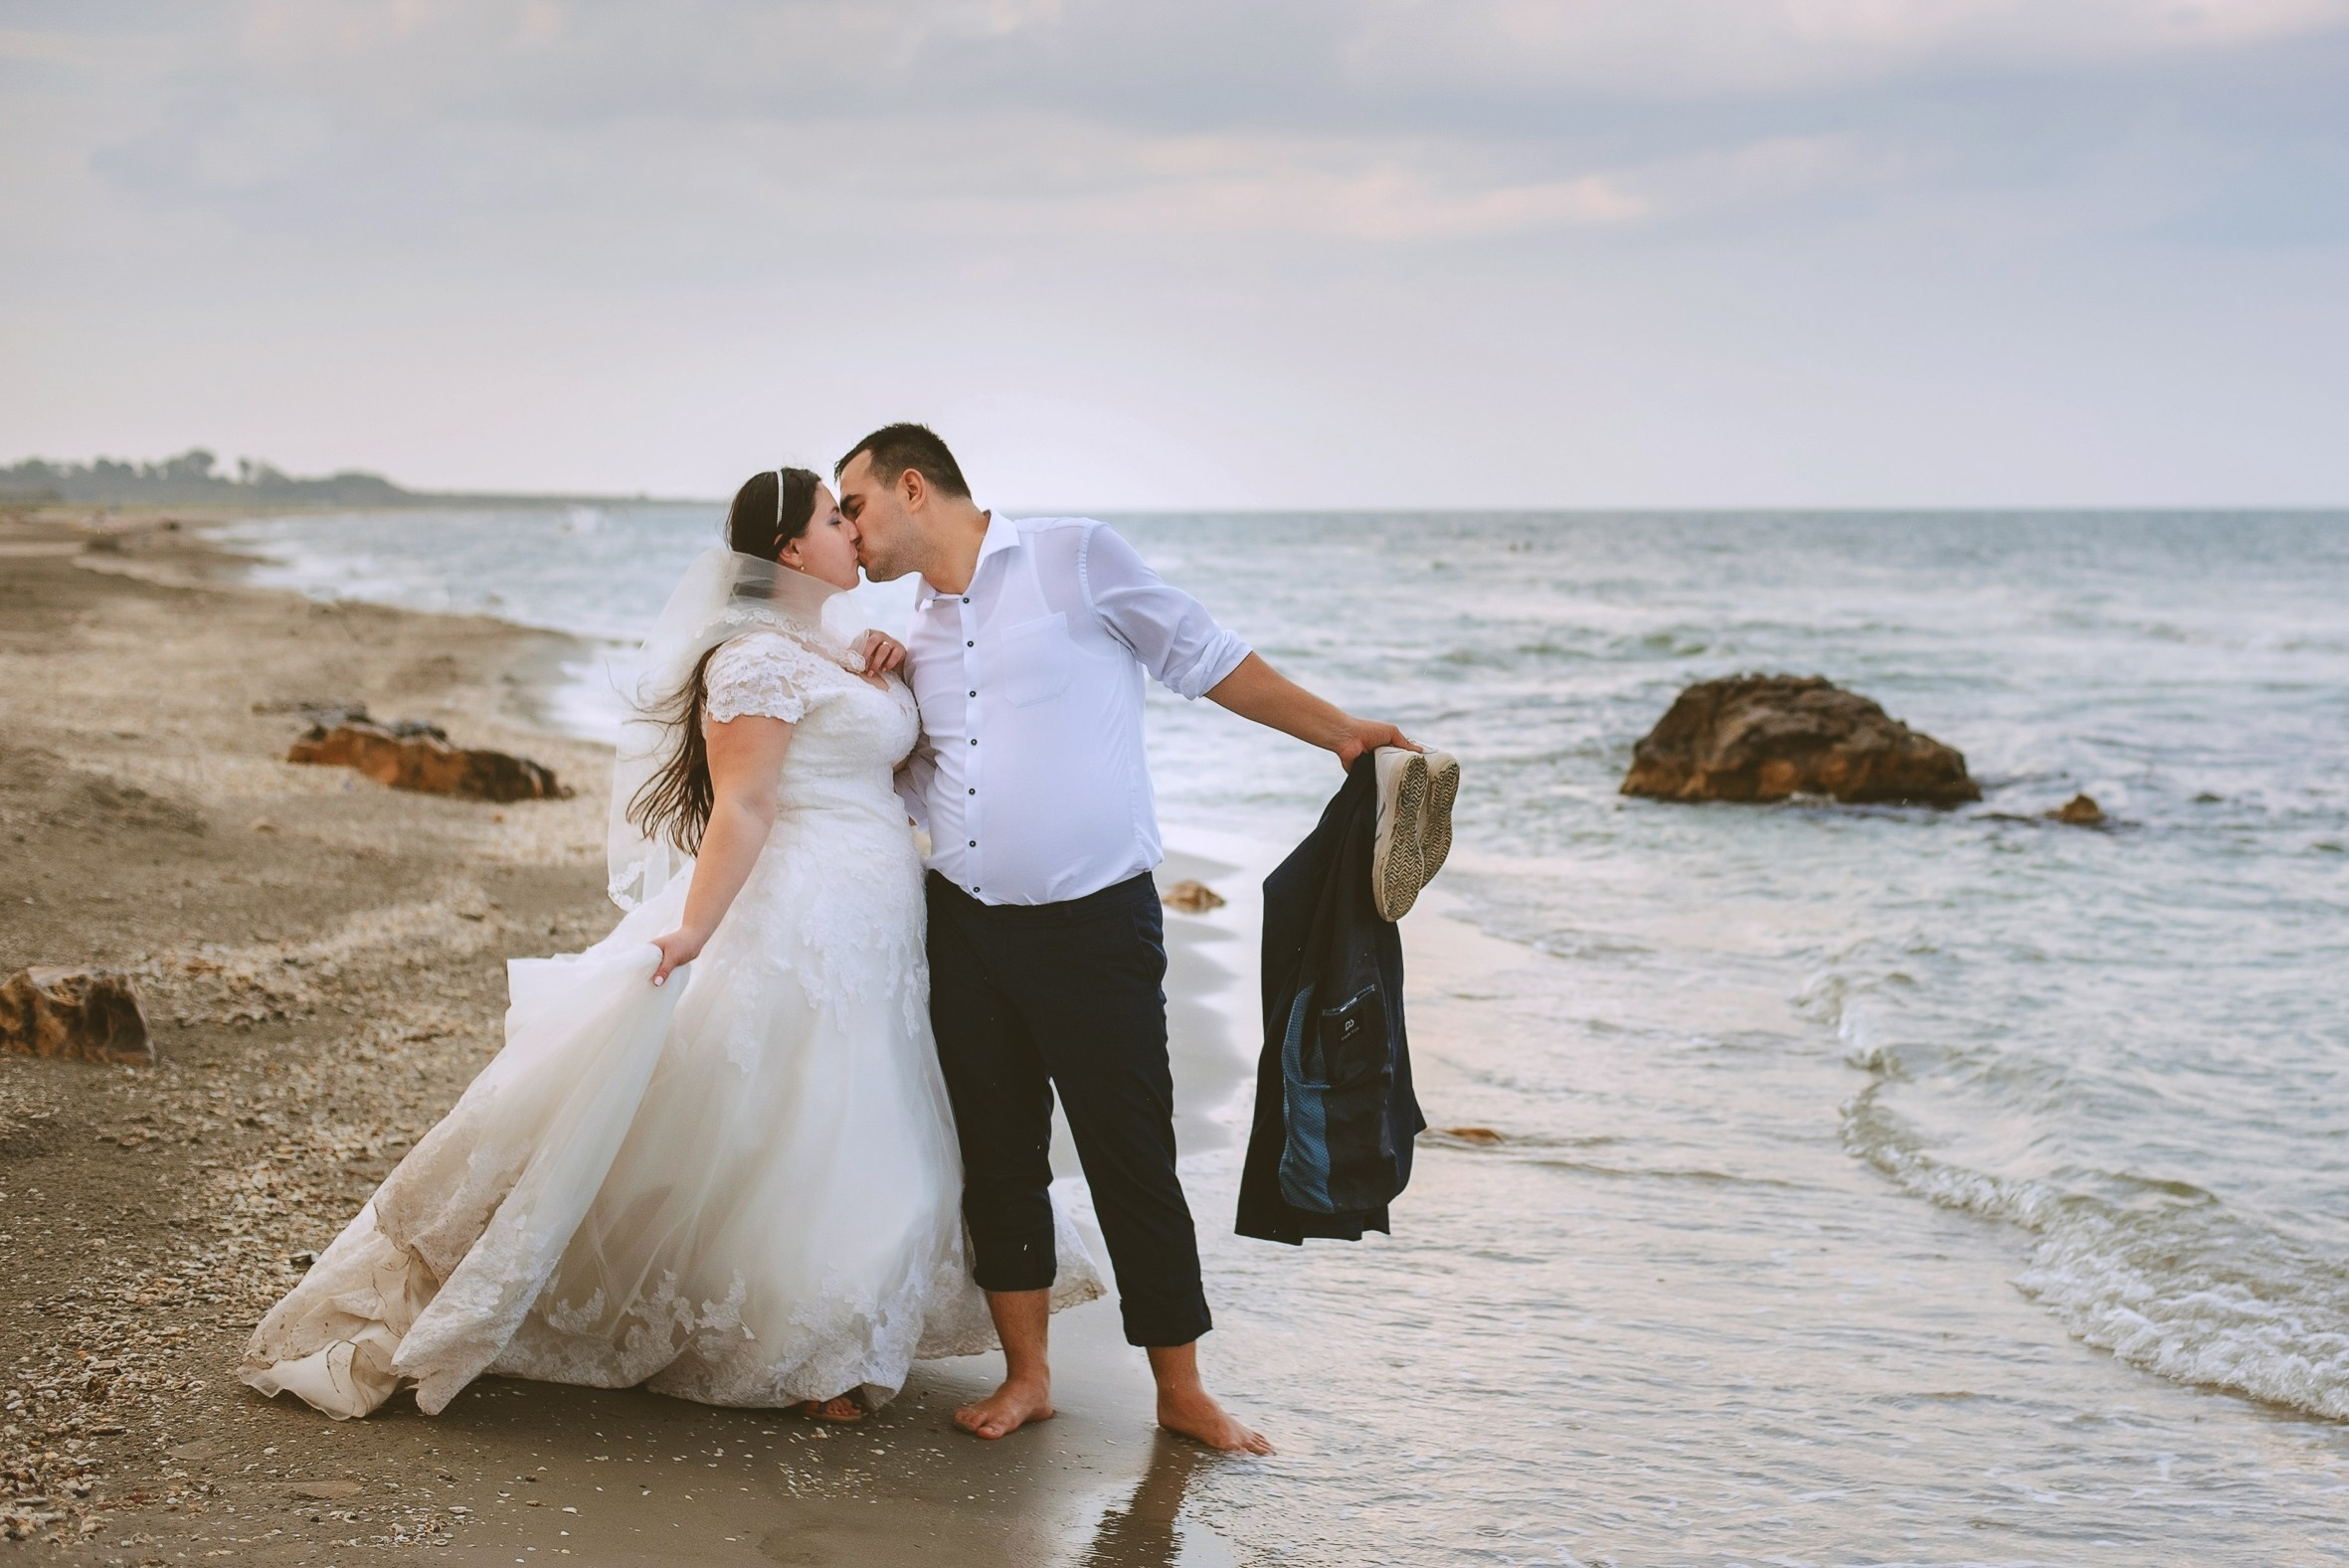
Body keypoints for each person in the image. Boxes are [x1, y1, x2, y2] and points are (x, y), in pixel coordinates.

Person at [240, 466, 1098, 1422]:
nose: (853, 530)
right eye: (832, 517)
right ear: (788, 549)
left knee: (883, 1112)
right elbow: (747, 801)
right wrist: (693, 924)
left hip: (886, 910)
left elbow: (908, 759)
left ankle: (846, 1325)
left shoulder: (844, 645)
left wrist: (886, 666)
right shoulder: (749, 663)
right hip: (803, 905)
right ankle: (810, 1347)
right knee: (806, 1113)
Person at [838, 424, 1415, 1455]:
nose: (849, 530)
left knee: (1128, 1152)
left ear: (911, 487)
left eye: (855, 506)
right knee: (999, 1155)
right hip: (964, 923)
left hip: (1094, 923)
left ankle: (1181, 1387)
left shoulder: (1074, 556)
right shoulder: (910, 629)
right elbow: (915, 771)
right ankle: (1027, 1377)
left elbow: (1205, 654)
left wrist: (1337, 729)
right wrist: (869, 682)